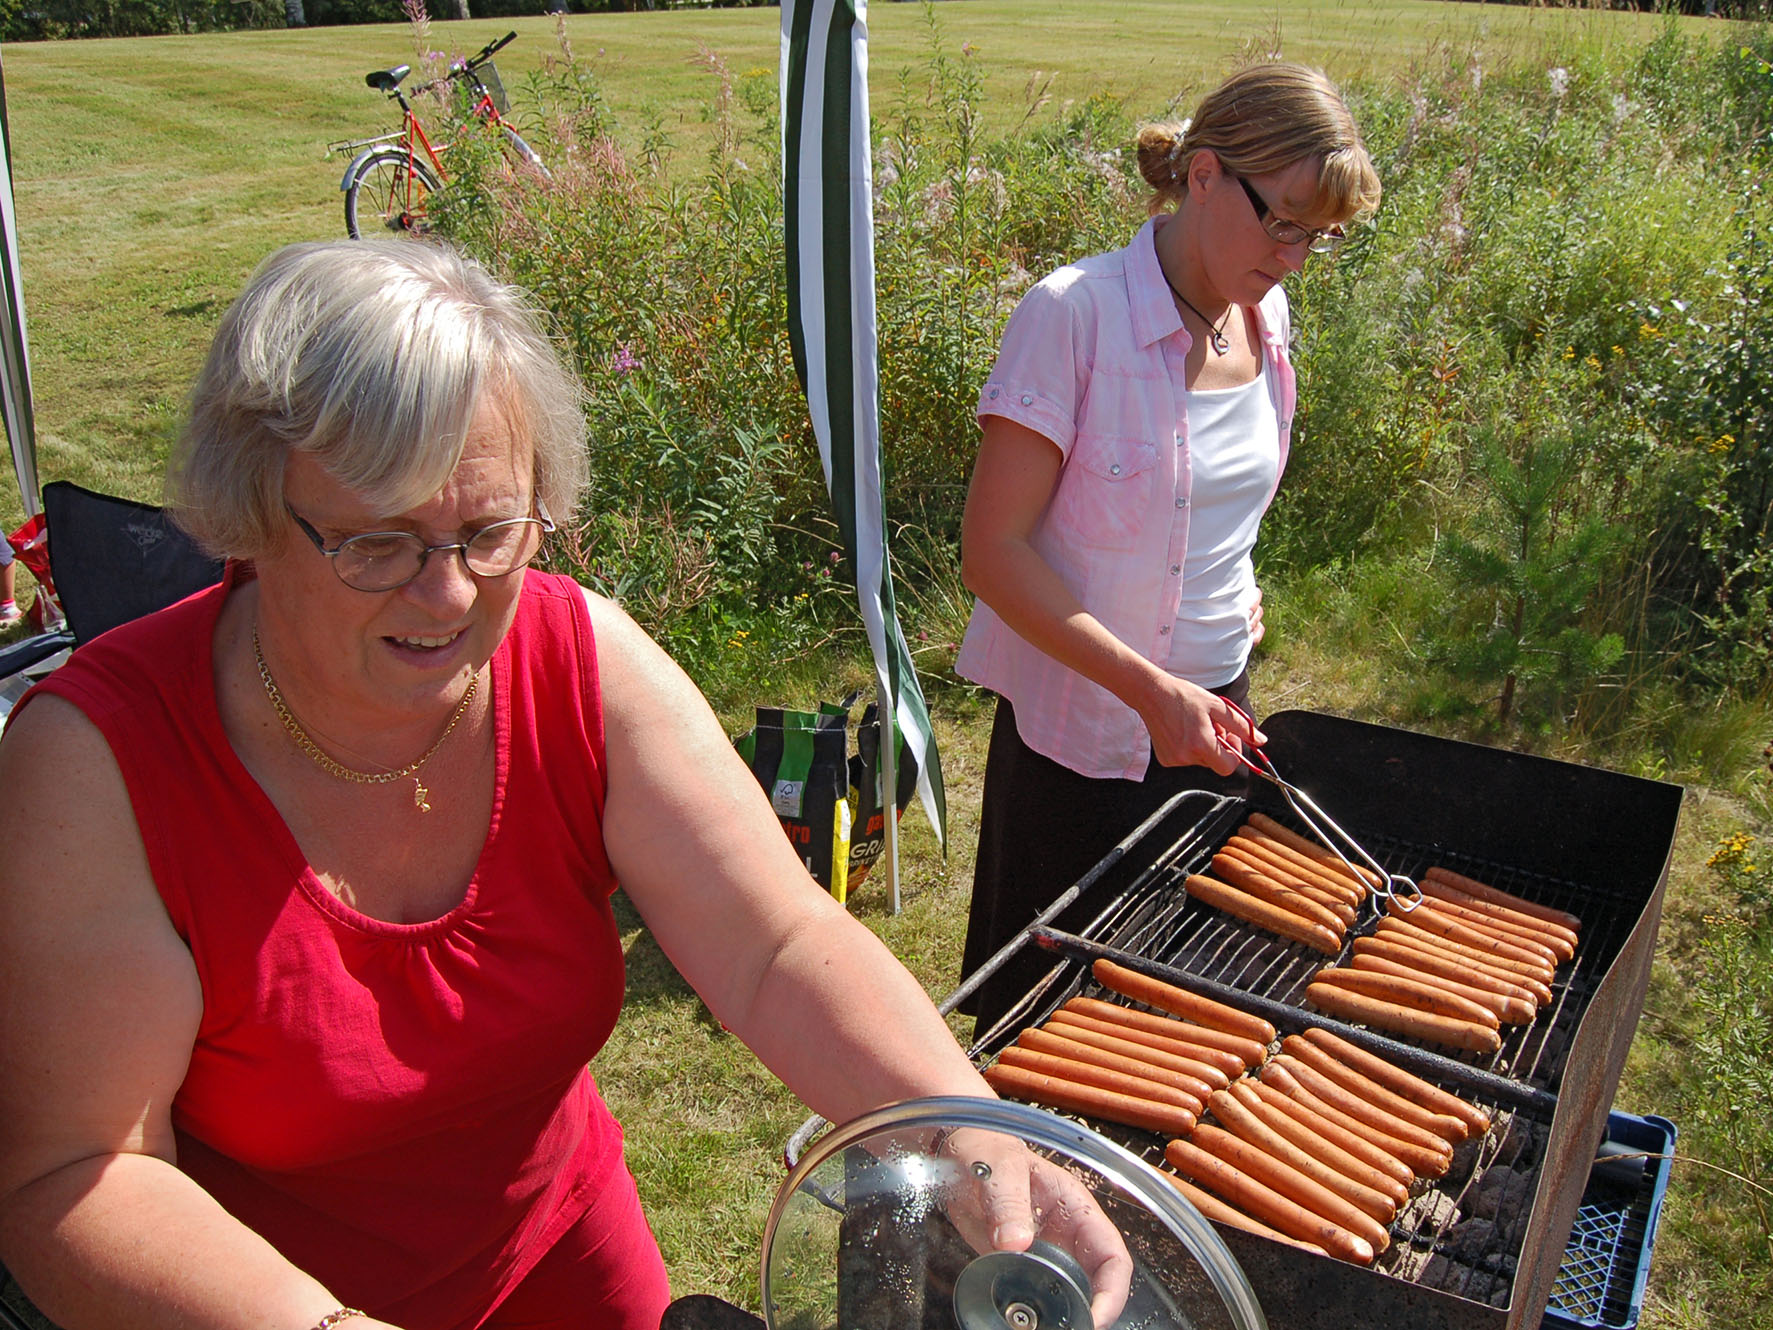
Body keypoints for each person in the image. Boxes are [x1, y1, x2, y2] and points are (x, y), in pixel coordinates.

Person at [0, 240, 1127, 1330]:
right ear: (251, 514)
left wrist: (965, 1126)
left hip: (565, 1256)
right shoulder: (96, 764)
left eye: (489, 530)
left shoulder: (578, 658)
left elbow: (772, 944)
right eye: (379, 544)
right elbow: (79, 1171)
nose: (447, 598)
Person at [954, 63, 1381, 1033]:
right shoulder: (1073, 317)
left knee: (1183, 1018)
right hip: (1086, 749)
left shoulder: (1265, 317)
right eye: (1280, 221)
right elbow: (992, 551)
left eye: (1318, 235)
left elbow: (1209, 497)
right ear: (1200, 174)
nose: (1295, 257)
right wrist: (1149, 690)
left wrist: (1235, 585)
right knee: (1046, 1028)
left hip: (1214, 720)